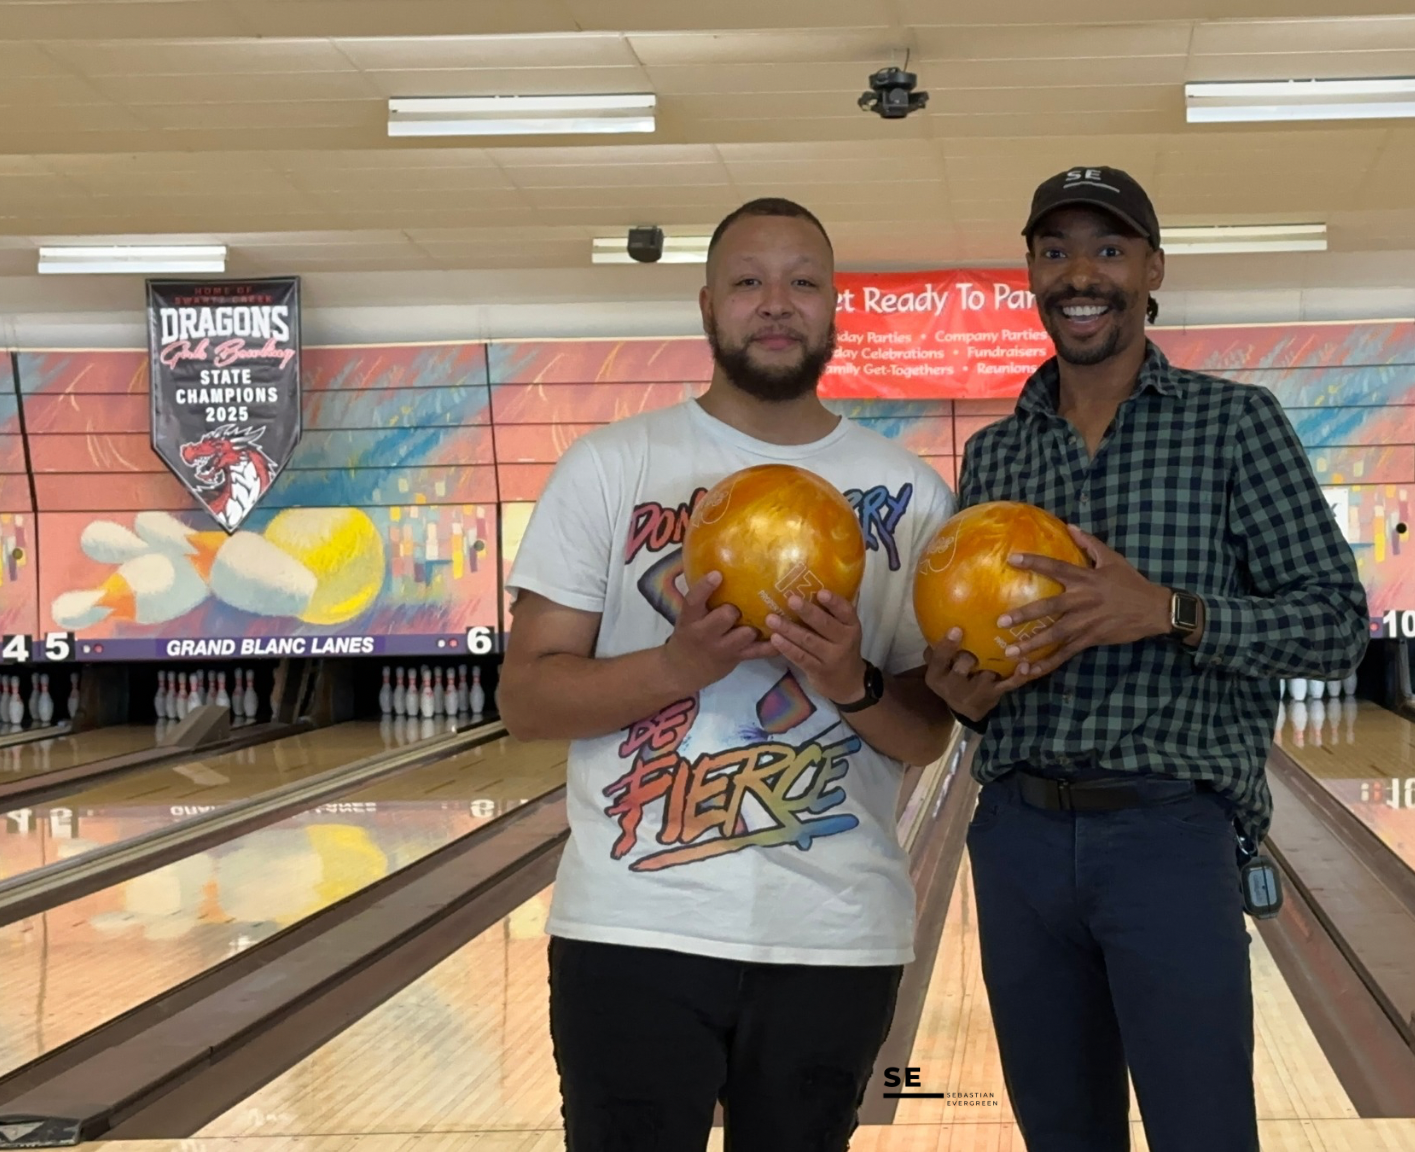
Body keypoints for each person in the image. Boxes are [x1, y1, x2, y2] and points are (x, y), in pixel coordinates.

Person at [922, 167, 1369, 1152]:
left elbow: (1337, 626)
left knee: (1201, 1133)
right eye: (1055, 251)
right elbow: (975, 666)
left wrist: (1167, 612)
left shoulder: (1233, 425)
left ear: (1152, 269)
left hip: (1168, 833)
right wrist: (962, 694)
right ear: (1031, 273)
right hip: (1017, 837)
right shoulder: (995, 455)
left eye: (1108, 250)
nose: (1080, 274)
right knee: (1060, 1135)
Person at [499, 197, 957, 1152]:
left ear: (835, 307)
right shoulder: (611, 466)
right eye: (748, 281)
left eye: (803, 282)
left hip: (835, 933)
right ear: (709, 307)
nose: (776, 303)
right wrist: (679, 664)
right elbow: (527, 700)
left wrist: (849, 680)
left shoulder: (915, 494)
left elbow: (926, 734)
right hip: (633, 927)